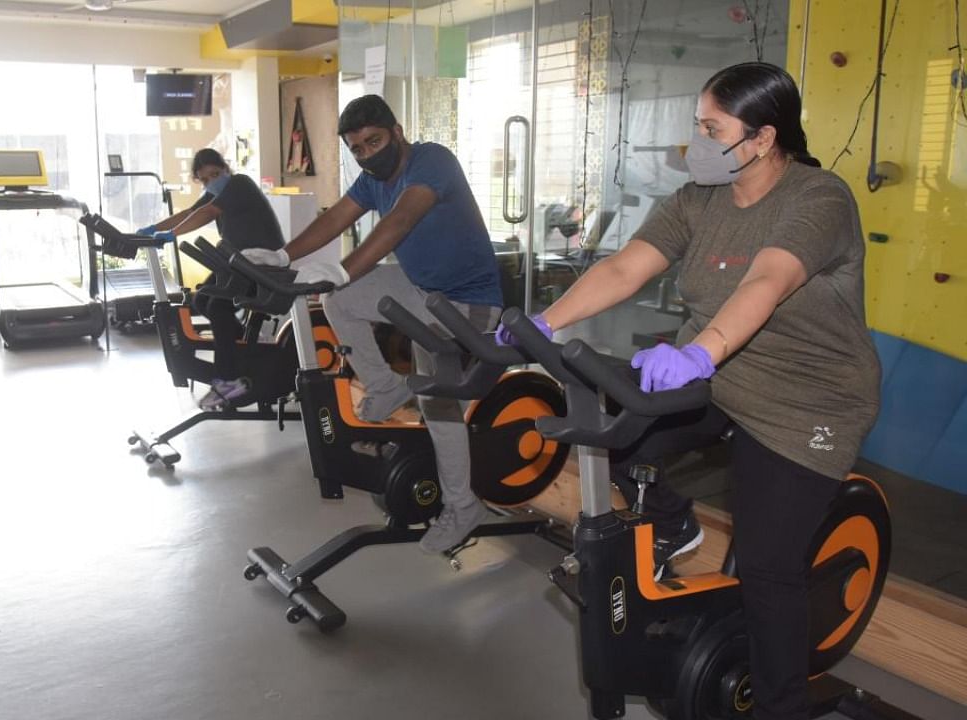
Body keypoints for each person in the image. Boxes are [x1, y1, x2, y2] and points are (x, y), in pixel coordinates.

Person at [502, 62, 880, 720]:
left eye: (712, 128)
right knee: (610, 435)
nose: (696, 141)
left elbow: (767, 279)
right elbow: (625, 267)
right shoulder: (699, 197)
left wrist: (700, 353)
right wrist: (543, 322)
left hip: (807, 403)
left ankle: (781, 707)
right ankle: (674, 523)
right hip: (722, 379)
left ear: (763, 139)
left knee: (766, 571)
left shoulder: (819, 198)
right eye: (696, 124)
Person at [242, 95, 504, 554]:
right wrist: (284, 255)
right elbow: (339, 216)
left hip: (467, 305)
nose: (367, 154)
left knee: (438, 407)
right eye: (357, 148)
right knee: (339, 298)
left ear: (397, 131)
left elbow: (401, 220)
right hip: (421, 290)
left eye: (374, 141)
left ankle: (464, 507)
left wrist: (344, 268)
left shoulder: (432, 161)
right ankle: (384, 385)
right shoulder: (371, 179)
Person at [138, 148, 285, 410]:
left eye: (215, 174)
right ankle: (252, 347)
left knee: (217, 304)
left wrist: (171, 235)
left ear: (226, 169)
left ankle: (228, 380)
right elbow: (189, 214)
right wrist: (152, 231)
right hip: (238, 262)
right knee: (203, 299)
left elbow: (208, 213)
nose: (211, 182)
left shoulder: (240, 184)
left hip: (263, 263)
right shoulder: (215, 194)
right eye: (205, 180)